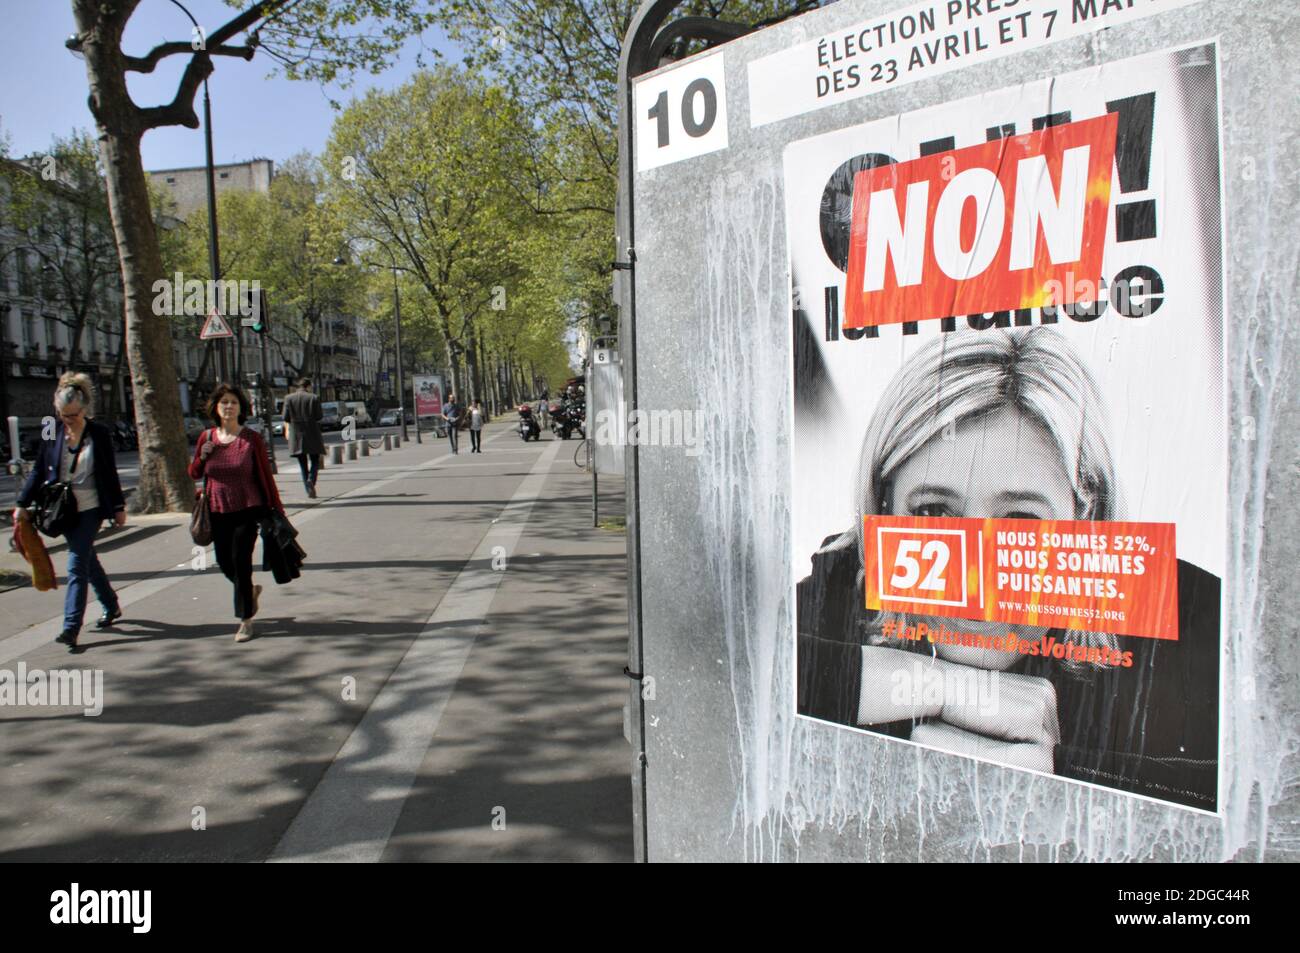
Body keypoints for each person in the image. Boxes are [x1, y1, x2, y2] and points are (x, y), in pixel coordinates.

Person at [796, 327, 1220, 811]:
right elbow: (732, 674)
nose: (976, 581)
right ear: (884, 510)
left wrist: (1062, 798)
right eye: (935, 513)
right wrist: (941, 688)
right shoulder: (842, 586)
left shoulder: (1192, 625)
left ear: (1086, 518)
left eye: (1020, 522)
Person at [14, 373, 126, 653]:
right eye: (63, 415)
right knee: (88, 560)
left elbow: (109, 473)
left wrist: (118, 507)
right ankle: (111, 604)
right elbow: (40, 469)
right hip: (61, 509)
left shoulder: (98, 433)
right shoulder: (51, 429)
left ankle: (71, 627)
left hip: (90, 508)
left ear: (84, 409)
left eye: (73, 415)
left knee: (76, 564)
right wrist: (21, 503)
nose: (68, 420)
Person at [189, 382, 285, 643]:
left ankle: (245, 620)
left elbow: (265, 476)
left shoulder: (251, 439)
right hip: (217, 509)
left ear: (241, 408)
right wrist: (202, 457)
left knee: (241, 562)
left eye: (233, 402)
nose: (228, 406)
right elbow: (194, 473)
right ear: (216, 409)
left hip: (247, 508)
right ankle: (249, 591)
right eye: (224, 403)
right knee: (223, 560)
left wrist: (276, 508)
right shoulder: (207, 438)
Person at [282, 377, 324, 498]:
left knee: (302, 463)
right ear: (308, 386)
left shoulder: (288, 398)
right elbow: (319, 416)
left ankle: (308, 488)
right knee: (315, 460)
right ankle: (311, 479)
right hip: (312, 433)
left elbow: (285, 417)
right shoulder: (314, 398)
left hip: (297, 435)